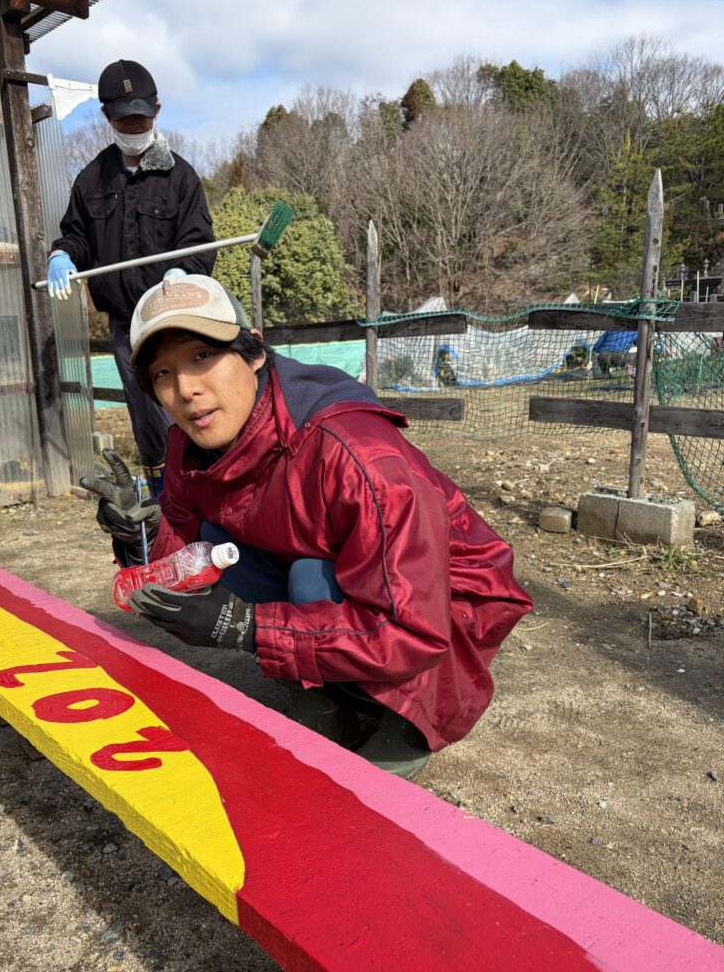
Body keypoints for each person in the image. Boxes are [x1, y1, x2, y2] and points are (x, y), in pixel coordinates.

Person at [82, 274, 533, 779]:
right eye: (163, 372)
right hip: (333, 570)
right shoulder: (190, 448)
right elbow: (185, 555)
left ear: (254, 353)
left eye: (202, 356)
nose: (186, 388)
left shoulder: (357, 454)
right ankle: (324, 698)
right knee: (216, 545)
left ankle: (409, 719)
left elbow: (411, 627)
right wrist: (139, 533)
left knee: (312, 577)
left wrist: (250, 627)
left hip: (443, 603)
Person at [48, 60, 215, 495]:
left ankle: (200, 491)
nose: (134, 127)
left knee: (187, 404)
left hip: (174, 318)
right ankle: (163, 500)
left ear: (156, 110)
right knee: (146, 417)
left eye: (141, 118)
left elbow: (199, 241)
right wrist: (62, 254)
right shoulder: (91, 179)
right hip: (125, 324)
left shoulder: (180, 178)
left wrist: (183, 270)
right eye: (124, 120)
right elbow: (77, 235)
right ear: (107, 117)